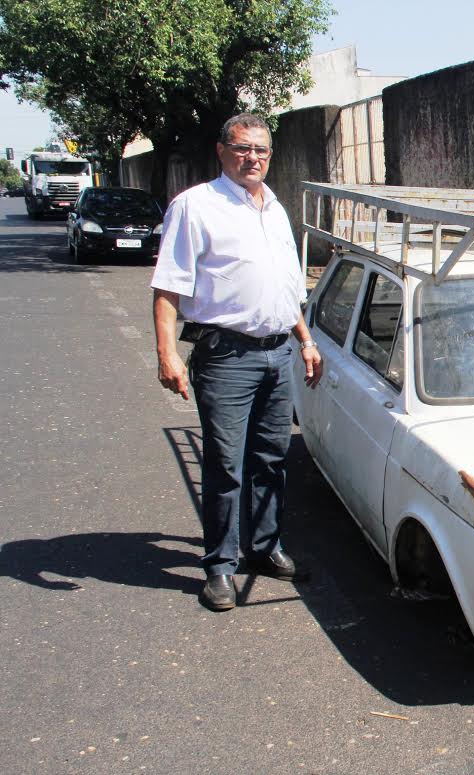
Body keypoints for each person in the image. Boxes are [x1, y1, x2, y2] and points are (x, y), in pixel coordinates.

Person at [151, 113, 323, 611]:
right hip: (226, 357)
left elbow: (285, 289)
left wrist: (306, 340)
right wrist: (167, 354)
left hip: (279, 351)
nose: (254, 159)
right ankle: (220, 566)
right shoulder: (196, 207)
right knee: (226, 466)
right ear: (222, 151)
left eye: (262, 151)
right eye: (244, 149)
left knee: (271, 460)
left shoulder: (274, 207)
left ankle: (264, 547)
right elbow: (168, 287)